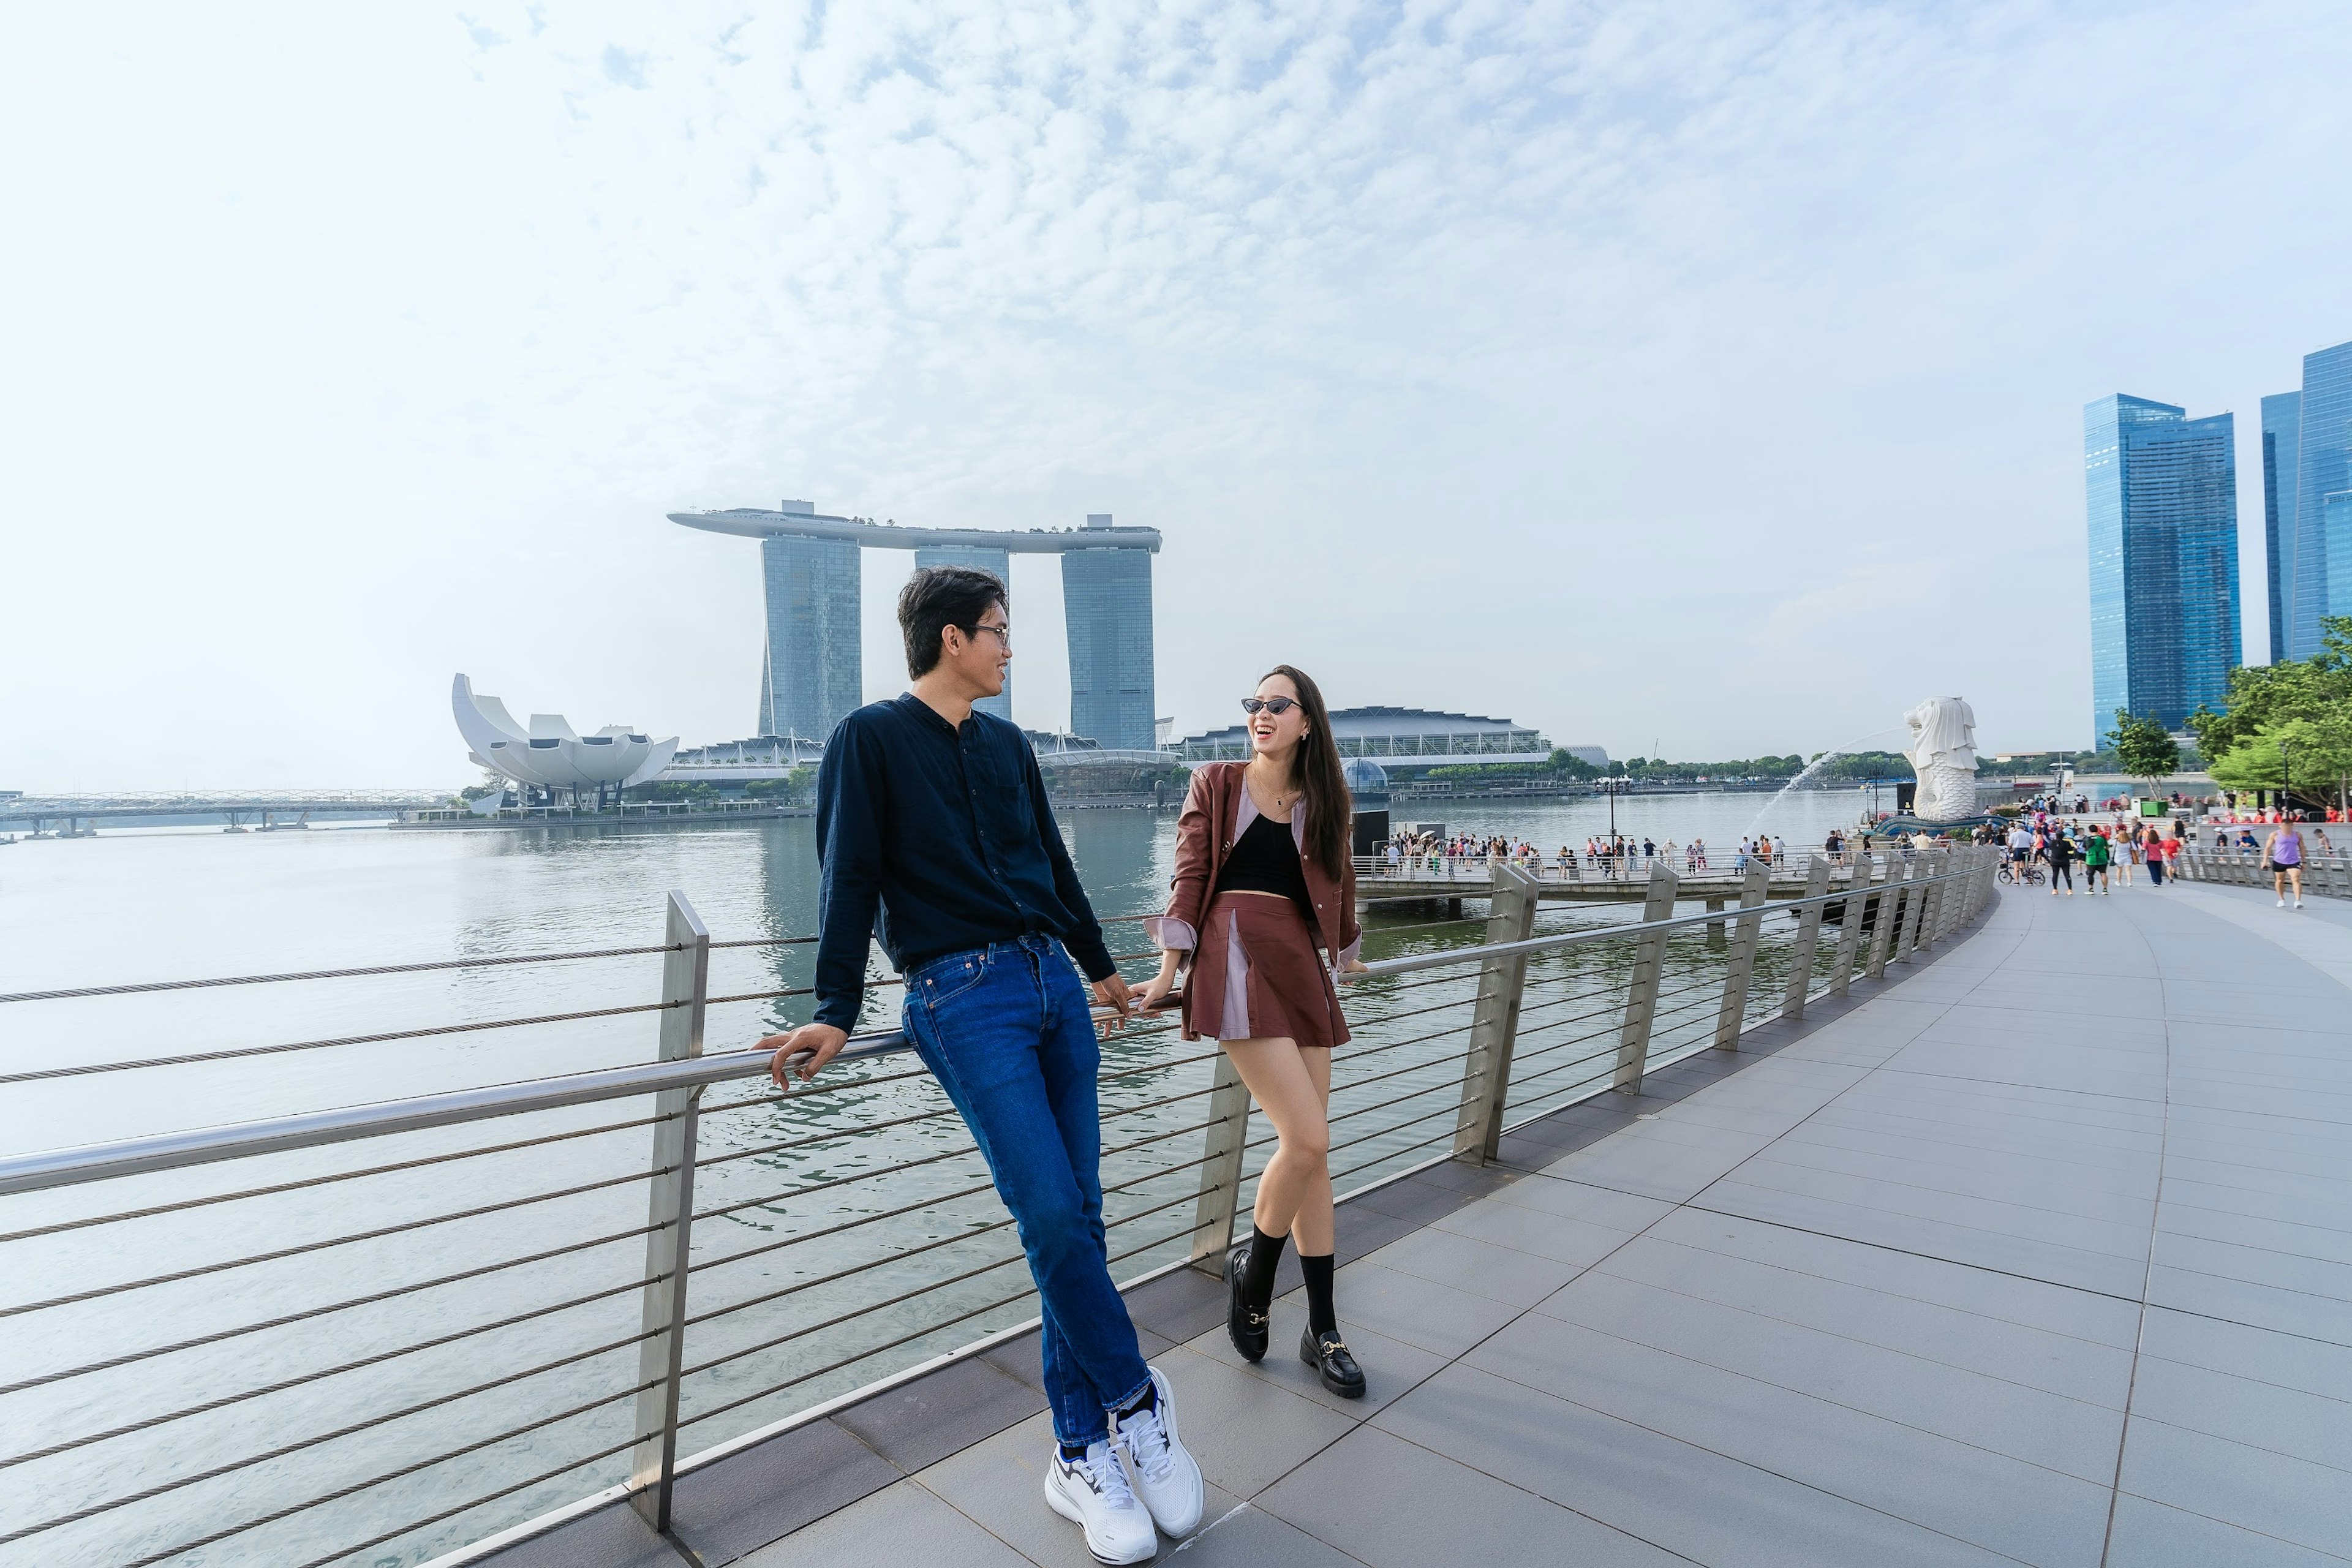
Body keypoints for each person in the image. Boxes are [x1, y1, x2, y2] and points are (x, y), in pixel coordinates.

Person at [760, 567, 1203, 1564]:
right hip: (961, 1001)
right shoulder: (867, 739)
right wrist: (834, 1010)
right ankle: (1136, 1397)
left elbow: (1051, 863)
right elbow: (849, 878)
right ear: (951, 638)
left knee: (1077, 1218)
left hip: (1055, 989)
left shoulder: (1008, 745)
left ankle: (1079, 1450)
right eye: (998, 633)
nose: (1009, 651)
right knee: (1048, 1214)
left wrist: (1102, 971)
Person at [1137, 665, 1370, 1401]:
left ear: (1307, 720)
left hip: (1300, 960)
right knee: (1307, 1141)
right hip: (1233, 953)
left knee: (1313, 1157)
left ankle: (1323, 1328)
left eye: (1277, 704)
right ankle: (1255, 1275)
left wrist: (1350, 949)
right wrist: (1170, 971)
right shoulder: (1217, 780)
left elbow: (1340, 880)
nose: (1261, 714)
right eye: (1254, 704)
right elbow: (1190, 871)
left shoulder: (1327, 798)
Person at [2265, 818, 2305, 909]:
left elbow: (2302, 848)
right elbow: (2268, 848)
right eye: (2284, 826)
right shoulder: (2275, 834)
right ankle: (2281, 899)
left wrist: (2304, 861)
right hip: (2279, 861)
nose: (2286, 828)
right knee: (2280, 880)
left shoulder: (2298, 835)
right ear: (2280, 826)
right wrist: (2265, 861)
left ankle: (2298, 900)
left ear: (2292, 826)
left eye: (2288, 827)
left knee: (2296, 879)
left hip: (2293, 861)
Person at [2045, 827, 2075, 895]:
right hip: (2065, 860)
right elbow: (2071, 850)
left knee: (2055, 875)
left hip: (2055, 860)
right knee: (2067, 875)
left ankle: (2055, 889)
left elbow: (2050, 848)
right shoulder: (2066, 843)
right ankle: (2070, 889)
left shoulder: (2052, 842)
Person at [2082, 826, 2111, 895]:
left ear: (2089, 831)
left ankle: (2091, 889)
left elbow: (2084, 849)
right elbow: (2107, 847)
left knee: (2090, 874)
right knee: (2103, 873)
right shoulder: (2102, 839)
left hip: (2091, 859)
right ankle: (2105, 889)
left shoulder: (2087, 839)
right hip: (2102, 858)